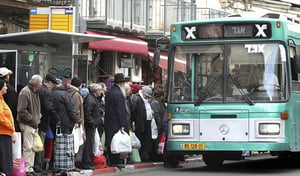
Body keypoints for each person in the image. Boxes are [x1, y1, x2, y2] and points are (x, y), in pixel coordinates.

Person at [17, 74, 43, 176]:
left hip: (33, 123)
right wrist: (33, 119)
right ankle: (27, 168)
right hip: (27, 123)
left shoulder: (34, 91)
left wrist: (38, 117)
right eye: (40, 83)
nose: (41, 85)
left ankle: (30, 168)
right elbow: (21, 110)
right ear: (37, 84)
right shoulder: (25, 92)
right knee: (28, 146)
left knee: (32, 147)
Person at [34, 74, 58, 174]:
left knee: (35, 144)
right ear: (49, 83)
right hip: (43, 122)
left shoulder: (38, 90)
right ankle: (39, 166)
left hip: (35, 121)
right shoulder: (46, 92)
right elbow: (49, 108)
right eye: (53, 84)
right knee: (40, 144)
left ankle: (36, 165)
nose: (53, 87)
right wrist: (56, 118)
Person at [105, 73, 129, 168]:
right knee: (116, 141)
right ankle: (115, 160)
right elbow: (121, 110)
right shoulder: (118, 94)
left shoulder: (110, 92)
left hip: (109, 120)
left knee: (111, 140)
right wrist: (123, 124)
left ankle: (112, 160)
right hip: (116, 122)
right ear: (122, 83)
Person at [81, 83, 103, 170]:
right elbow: (87, 114)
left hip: (92, 125)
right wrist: (93, 123)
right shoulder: (90, 99)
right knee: (89, 144)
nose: (101, 92)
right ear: (97, 91)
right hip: (90, 126)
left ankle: (88, 161)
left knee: (91, 143)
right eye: (100, 90)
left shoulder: (93, 98)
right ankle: (86, 162)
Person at [130, 86, 153, 162]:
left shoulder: (146, 100)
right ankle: (141, 155)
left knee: (146, 140)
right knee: (140, 139)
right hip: (139, 122)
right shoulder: (136, 98)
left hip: (147, 121)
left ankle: (144, 155)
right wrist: (133, 123)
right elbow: (133, 112)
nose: (147, 97)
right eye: (146, 95)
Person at [0, 79, 15, 175]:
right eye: (5, 86)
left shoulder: (1, 99)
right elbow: (0, 116)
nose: (6, 88)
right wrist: (10, 126)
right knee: (3, 157)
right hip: (3, 132)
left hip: (5, 132)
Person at [150, 85, 166, 161]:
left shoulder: (160, 102)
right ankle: (156, 156)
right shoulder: (155, 103)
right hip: (157, 126)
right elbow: (157, 115)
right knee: (156, 141)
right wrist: (160, 125)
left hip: (160, 126)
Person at [0, 67, 19, 132]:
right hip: (6, 125)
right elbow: (13, 105)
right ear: (7, 77)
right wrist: (10, 124)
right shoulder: (10, 89)